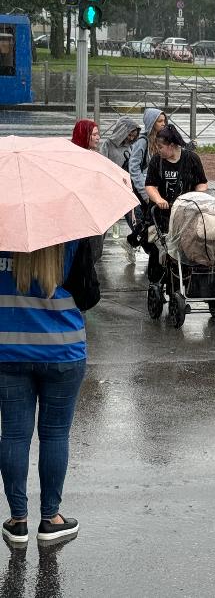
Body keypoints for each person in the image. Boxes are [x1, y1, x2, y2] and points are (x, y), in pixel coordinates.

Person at [0, 242, 88, 544]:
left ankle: (18, 521)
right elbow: (89, 295)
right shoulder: (73, 235)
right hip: (63, 349)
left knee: (13, 435)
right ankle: (51, 519)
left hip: (7, 348)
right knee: (55, 435)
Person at [145, 124, 208, 284]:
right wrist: (158, 199)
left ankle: (184, 280)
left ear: (172, 146)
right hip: (162, 215)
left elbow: (202, 183)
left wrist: (197, 197)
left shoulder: (192, 159)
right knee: (159, 248)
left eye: (160, 147)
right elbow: (150, 185)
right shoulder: (156, 161)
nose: (158, 150)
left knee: (188, 247)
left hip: (186, 215)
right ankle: (156, 282)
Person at [122, 109, 167, 263]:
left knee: (152, 223)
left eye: (164, 121)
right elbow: (134, 168)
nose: (163, 124)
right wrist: (144, 191)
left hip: (154, 188)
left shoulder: (160, 140)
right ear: (152, 123)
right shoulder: (143, 142)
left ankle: (134, 243)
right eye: (160, 121)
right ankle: (138, 246)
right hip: (141, 190)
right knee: (145, 224)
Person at [100, 116, 141, 256]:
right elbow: (102, 165)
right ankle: (97, 247)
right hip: (111, 189)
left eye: (133, 136)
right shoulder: (108, 145)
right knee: (104, 221)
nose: (130, 138)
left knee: (135, 219)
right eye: (129, 134)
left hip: (128, 189)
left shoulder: (133, 146)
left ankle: (133, 243)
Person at [70, 120, 103, 262]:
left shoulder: (94, 156)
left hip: (94, 211)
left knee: (94, 253)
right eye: (94, 134)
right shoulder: (72, 158)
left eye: (98, 134)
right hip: (79, 215)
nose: (98, 138)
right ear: (84, 135)